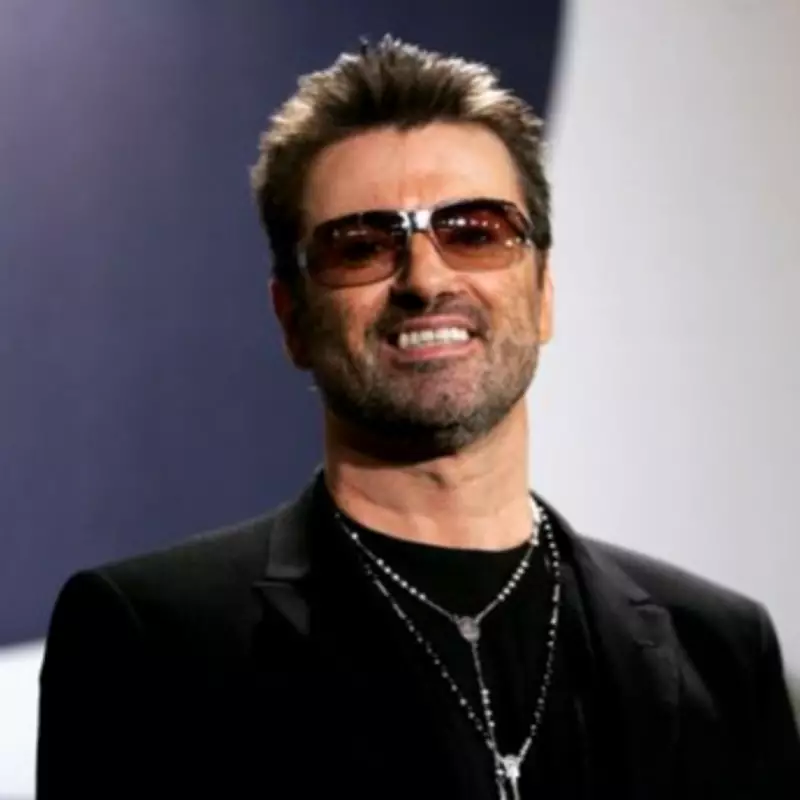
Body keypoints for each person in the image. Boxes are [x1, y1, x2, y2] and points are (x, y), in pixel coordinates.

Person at [36, 36, 799, 800]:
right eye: (362, 247)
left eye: (475, 232)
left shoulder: (719, 650)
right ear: (292, 319)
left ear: (543, 293)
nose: (426, 279)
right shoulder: (153, 640)